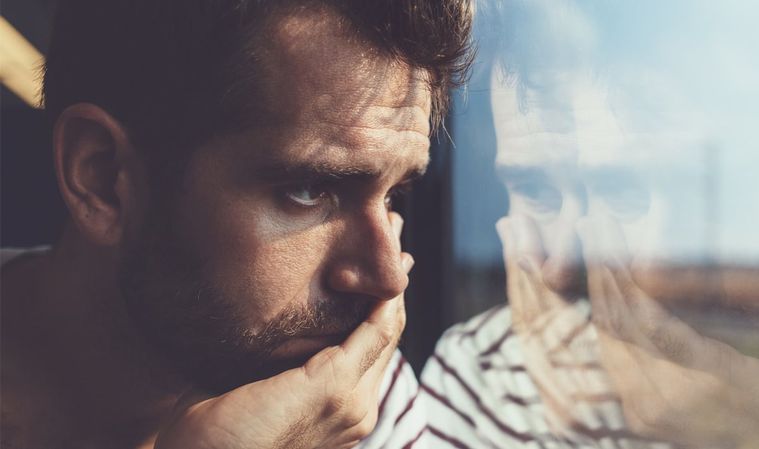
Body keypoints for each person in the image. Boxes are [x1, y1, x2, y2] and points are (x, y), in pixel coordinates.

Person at [0, 0, 473, 448]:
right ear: (103, 180)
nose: (389, 277)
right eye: (307, 191)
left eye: (393, 195)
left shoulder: (355, 406)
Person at [421, 1, 759, 448]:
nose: (560, 263)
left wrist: (731, 419)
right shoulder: (476, 374)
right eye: (536, 192)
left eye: (622, 193)